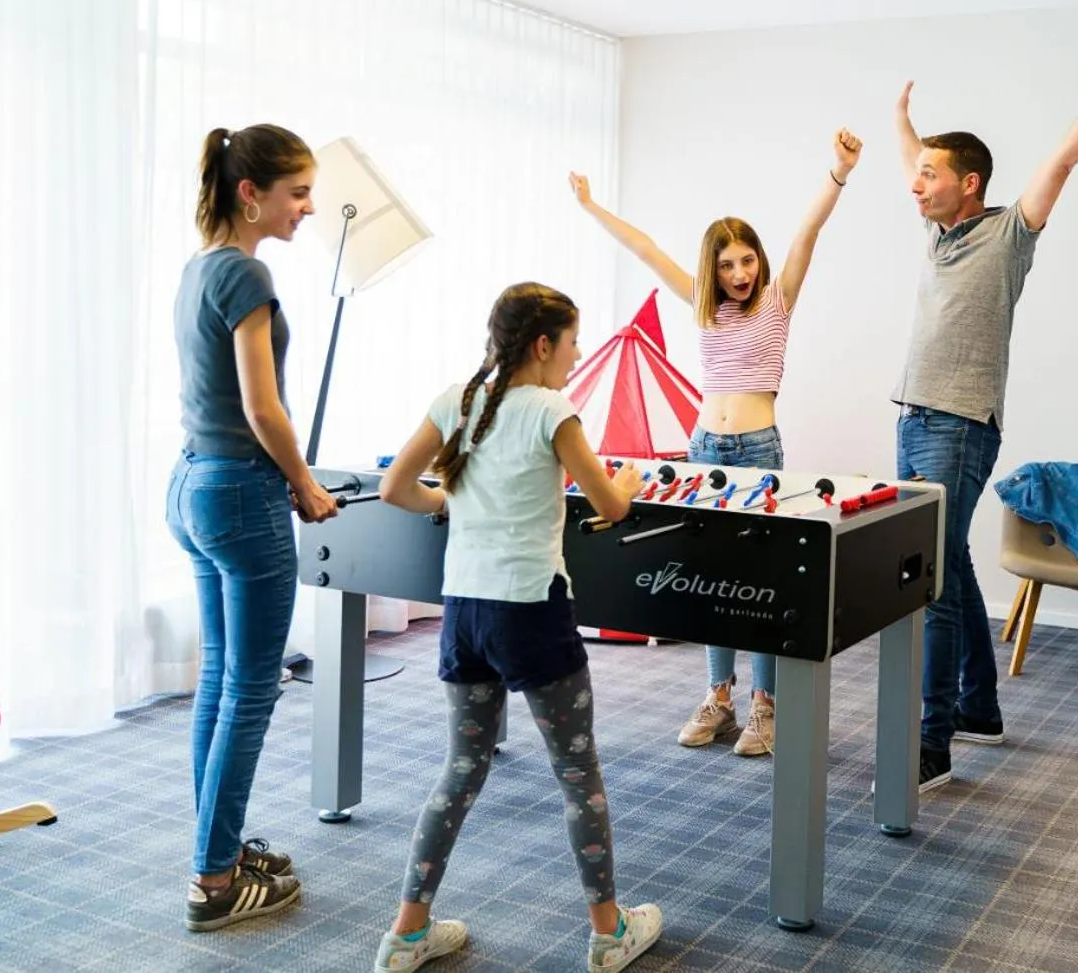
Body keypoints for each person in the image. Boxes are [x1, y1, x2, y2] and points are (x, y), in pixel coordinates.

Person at [892, 12, 1078, 793]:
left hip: (957, 425)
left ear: (970, 184)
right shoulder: (938, 236)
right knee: (946, 563)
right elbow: (915, 167)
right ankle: (978, 709)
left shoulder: (1006, 233)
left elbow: (1063, 155)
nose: (914, 182)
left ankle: (931, 742)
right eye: (913, 171)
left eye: (928, 173)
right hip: (913, 415)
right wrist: (903, 126)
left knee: (931, 579)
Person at [371, 282, 664, 973]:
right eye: (571, 340)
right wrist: (625, 484)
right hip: (531, 613)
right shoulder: (552, 409)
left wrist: (449, 502)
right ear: (542, 345)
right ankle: (606, 933)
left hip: (465, 615)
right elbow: (609, 505)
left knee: (461, 770)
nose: (578, 352)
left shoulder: (458, 400)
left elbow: (394, 490)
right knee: (577, 774)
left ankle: (406, 934)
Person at [568, 128, 862, 757]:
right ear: (713, 269)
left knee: (756, 580)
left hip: (757, 450)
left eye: (746, 260)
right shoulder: (704, 305)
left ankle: (766, 706)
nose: (738, 273)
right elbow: (646, 250)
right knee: (709, 578)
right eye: (726, 264)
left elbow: (807, 234)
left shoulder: (778, 299)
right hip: (705, 448)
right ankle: (718, 697)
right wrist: (592, 207)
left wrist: (837, 172)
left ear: (759, 260)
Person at [167, 123, 339, 931]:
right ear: (251, 193)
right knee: (248, 690)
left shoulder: (199, 267)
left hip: (194, 482)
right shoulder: (246, 272)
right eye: (297, 192)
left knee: (220, 677)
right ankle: (214, 881)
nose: (307, 208)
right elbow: (261, 405)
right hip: (241, 491)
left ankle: (219, 849)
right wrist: (303, 485)